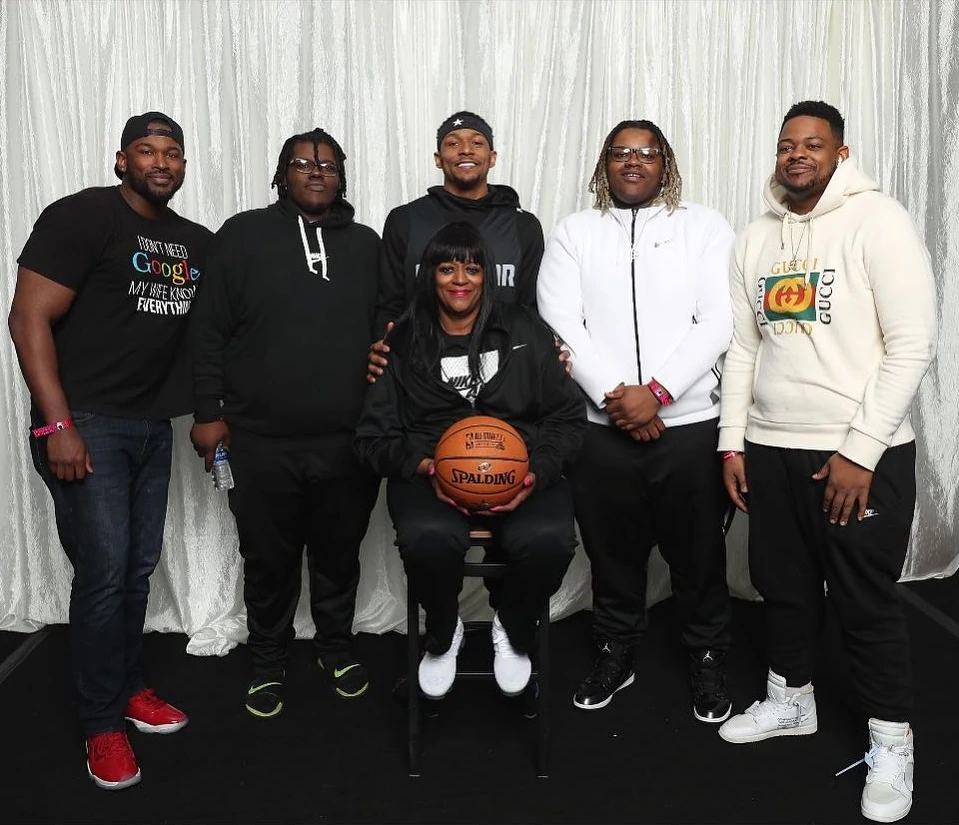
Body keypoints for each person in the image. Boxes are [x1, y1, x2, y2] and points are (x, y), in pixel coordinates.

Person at [716, 100, 937, 823]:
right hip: (771, 445)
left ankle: (891, 741)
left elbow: (912, 343)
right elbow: (744, 348)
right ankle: (791, 700)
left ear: (840, 154)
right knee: (781, 586)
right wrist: (731, 439)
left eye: (812, 144)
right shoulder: (755, 237)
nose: (796, 155)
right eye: (785, 144)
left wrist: (859, 449)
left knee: (864, 602)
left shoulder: (880, 221)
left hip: (856, 453)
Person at [8, 112, 209, 790]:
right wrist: (56, 425)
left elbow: (238, 323)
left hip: (152, 426)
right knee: (101, 573)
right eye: (147, 150)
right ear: (121, 159)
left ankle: (127, 686)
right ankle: (99, 723)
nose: (162, 161)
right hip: (85, 423)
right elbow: (26, 314)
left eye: (173, 152)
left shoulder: (192, 242)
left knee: (134, 569)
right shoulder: (81, 218)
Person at [536, 120, 736, 722]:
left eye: (647, 153)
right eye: (621, 152)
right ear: (604, 164)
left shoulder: (704, 227)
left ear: (665, 165)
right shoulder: (574, 232)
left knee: (698, 554)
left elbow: (720, 319)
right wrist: (618, 397)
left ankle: (706, 656)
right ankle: (614, 649)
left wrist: (658, 393)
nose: (633, 162)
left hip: (692, 424)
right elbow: (562, 321)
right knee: (612, 553)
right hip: (603, 430)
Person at [189, 128, 381, 720]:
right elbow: (207, 330)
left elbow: (391, 325)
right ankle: (268, 661)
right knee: (268, 558)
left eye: (328, 164)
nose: (316, 172)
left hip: (347, 439)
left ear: (342, 175)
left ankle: (336, 648)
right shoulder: (243, 236)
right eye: (302, 164)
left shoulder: (368, 245)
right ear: (282, 175)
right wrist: (207, 414)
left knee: (338, 554)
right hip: (258, 439)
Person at [355, 221, 584, 699]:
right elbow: (373, 439)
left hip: (521, 471)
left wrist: (535, 473)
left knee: (549, 539)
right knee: (427, 537)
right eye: (447, 268)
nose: (460, 279)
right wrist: (428, 467)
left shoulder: (524, 328)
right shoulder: (402, 341)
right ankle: (443, 634)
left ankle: (513, 631)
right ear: (429, 276)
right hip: (433, 472)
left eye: (472, 268)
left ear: (486, 277)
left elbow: (566, 418)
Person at [368, 111, 544, 379]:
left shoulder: (523, 226)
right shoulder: (405, 220)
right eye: (453, 143)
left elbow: (530, 309)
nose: (465, 150)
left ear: (492, 157)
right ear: (438, 160)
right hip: (421, 373)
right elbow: (390, 305)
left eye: (476, 143)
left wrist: (545, 358)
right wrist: (383, 352)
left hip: (503, 374)